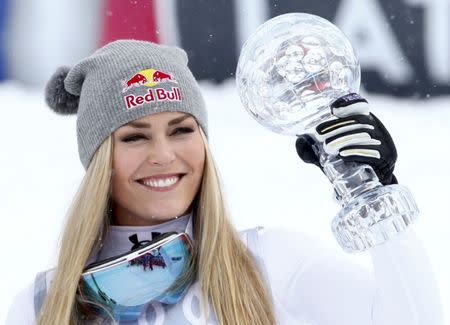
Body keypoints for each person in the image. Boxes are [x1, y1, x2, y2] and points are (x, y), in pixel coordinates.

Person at [6, 40, 443, 325]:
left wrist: (378, 193)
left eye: (182, 130)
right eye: (135, 136)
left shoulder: (271, 262)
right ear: (100, 160)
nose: (164, 155)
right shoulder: (42, 306)